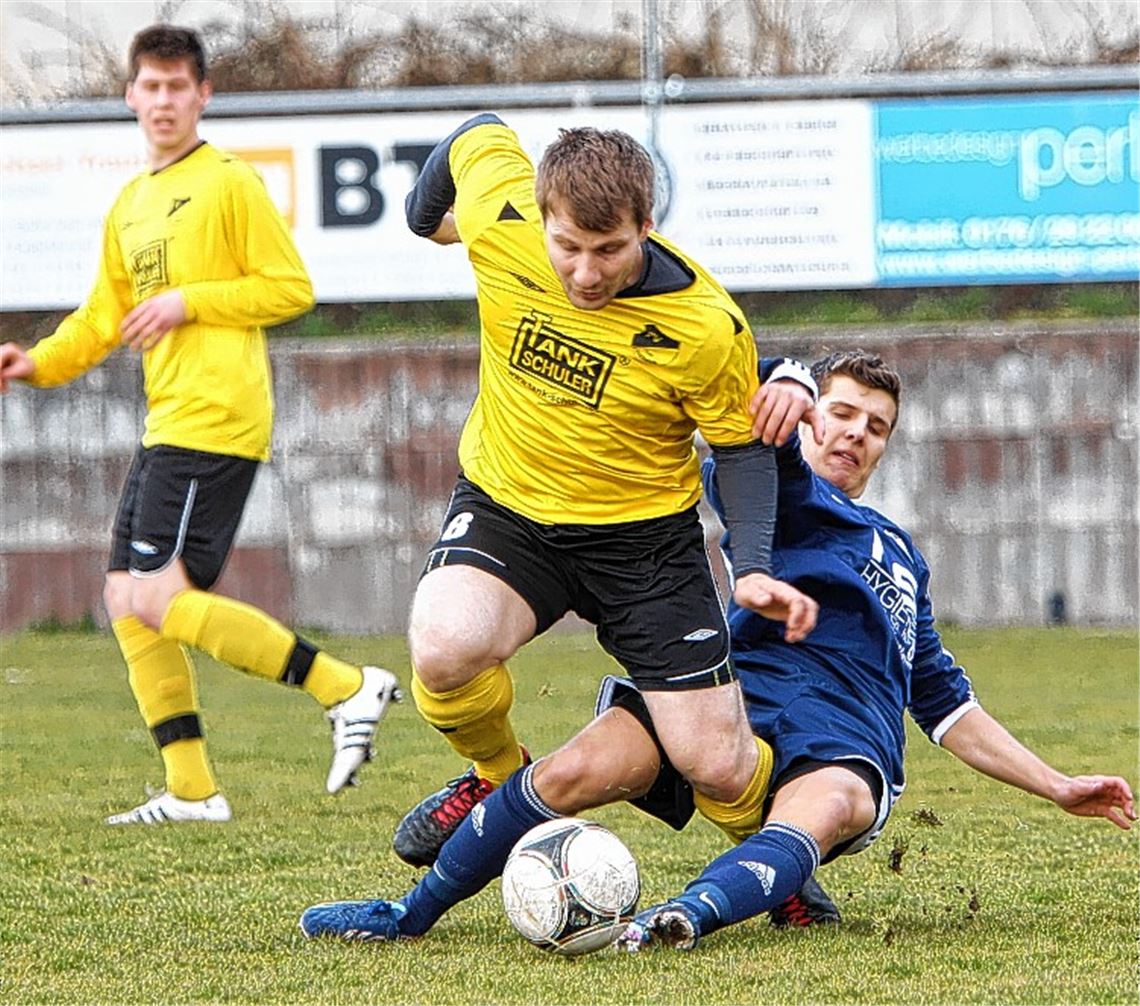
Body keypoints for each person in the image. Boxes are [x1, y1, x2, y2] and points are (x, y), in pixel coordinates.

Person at [298, 350, 1134, 943]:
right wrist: (789, 381)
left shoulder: (905, 553)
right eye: (840, 414)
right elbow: (755, 442)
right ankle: (408, 914)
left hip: (845, 740)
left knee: (829, 805)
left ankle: (684, 918)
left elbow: (946, 702)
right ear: (811, 421)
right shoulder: (782, 492)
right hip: (731, 699)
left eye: (876, 427)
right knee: (574, 769)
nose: (855, 434)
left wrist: (1058, 786)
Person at [388, 112, 820, 871]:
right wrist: (426, 220)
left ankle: (774, 861)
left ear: (646, 226)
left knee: (714, 763)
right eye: (569, 248)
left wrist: (750, 565)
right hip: (509, 510)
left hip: (645, 541)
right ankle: (496, 779)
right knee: (444, 647)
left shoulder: (704, 325)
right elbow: (475, 135)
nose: (586, 273)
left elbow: (740, 449)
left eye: (610, 250)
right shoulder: (501, 216)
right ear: (544, 216)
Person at [0, 25, 400, 825]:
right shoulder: (131, 203)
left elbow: (289, 288)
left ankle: (347, 687)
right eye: (149, 86)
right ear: (130, 95)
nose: (162, 101)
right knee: (124, 596)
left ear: (202, 95)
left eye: (177, 87)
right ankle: (190, 788)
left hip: (218, 419)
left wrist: (193, 300)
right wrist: (35, 364)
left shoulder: (228, 183)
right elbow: (102, 317)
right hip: (169, 421)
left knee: (157, 595)